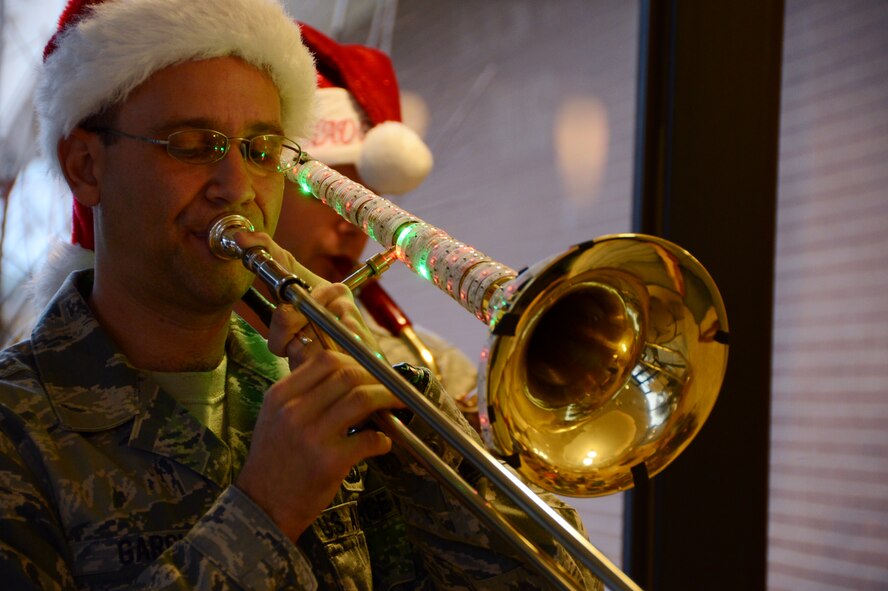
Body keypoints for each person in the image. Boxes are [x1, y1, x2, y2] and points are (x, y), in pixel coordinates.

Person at [0, 1, 600, 590]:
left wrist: (403, 409)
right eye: (189, 143)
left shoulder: (307, 385)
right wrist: (266, 509)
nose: (236, 188)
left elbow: (562, 579)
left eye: (261, 151)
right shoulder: (16, 424)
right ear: (85, 166)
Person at [234, 22, 479, 413]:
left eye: (367, 202)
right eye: (325, 195)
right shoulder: (205, 353)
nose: (353, 225)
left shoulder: (438, 365)